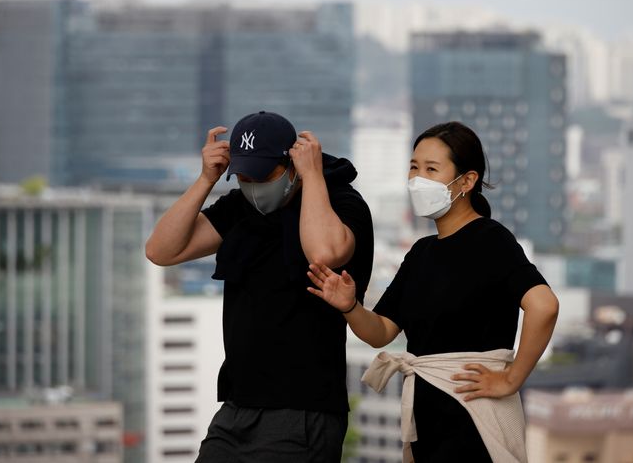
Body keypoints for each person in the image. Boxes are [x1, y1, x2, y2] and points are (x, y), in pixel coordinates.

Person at [307, 121, 559, 462]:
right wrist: (350, 307)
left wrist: (511, 379)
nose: (417, 179)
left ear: (467, 181)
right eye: (414, 167)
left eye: (431, 169)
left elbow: (544, 306)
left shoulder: (491, 239)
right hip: (428, 422)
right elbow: (381, 331)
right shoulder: (421, 252)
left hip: (473, 420)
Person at [146, 111, 374, 462]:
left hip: (301, 410)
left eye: (263, 173)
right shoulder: (240, 206)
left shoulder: (341, 203)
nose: (252, 184)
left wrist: (313, 174)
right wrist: (206, 179)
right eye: (243, 175)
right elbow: (161, 250)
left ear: (293, 162)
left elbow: (323, 253)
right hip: (237, 407)